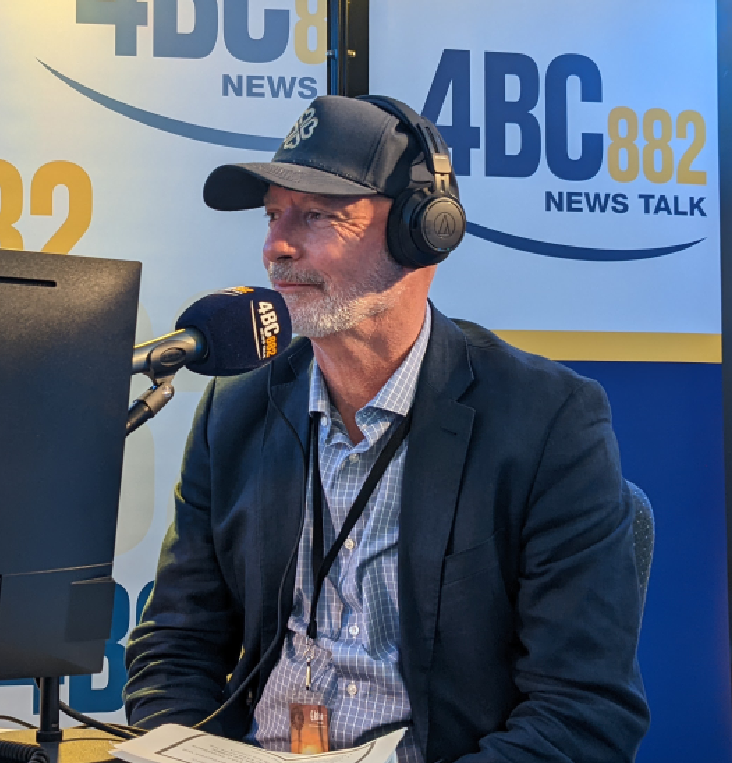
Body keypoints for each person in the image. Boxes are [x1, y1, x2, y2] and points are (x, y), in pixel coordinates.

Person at [123, 95, 649, 763]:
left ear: (423, 233)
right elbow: (175, 646)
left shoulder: (548, 421)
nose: (276, 246)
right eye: (273, 215)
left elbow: (584, 712)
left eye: (315, 216)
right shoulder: (236, 408)